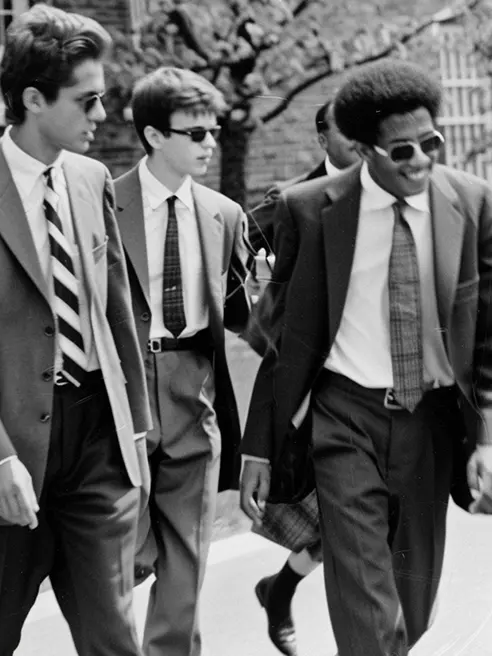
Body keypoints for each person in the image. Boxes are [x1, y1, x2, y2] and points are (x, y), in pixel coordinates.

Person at [0, 3, 152, 656]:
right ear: (32, 98)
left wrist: (136, 431)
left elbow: (114, 313)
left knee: (113, 638)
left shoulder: (92, 179)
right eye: (87, 100)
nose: (101, 116)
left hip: (98, 445)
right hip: (10, 447)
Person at [240, 59, 492, 656]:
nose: (421, 161)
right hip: (344, 420)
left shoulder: (475, 203)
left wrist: (485, 437)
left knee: (412, 605)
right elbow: (284, 343)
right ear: (363, 150)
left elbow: (485, 336)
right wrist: (259, 443)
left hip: (429, 424)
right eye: (401, 151)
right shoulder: (308, 210)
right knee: (363, 600)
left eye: (430, 143)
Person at [113, 67, 252, 656]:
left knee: (189, 550)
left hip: (194, 385)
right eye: (194, 133)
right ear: (152, 135)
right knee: (122, 548)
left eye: (212, 131)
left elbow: (248, 316)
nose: (208, 144)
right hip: (125, 388)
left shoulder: (224, 214)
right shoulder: (103, 203)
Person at [243, 98, 358, 656]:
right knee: (343, 515)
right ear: (321, 138)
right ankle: (287, 590)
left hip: (380, 388)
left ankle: (281, 586)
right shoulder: (286, 205)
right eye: (345, 130)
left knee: (370, 519)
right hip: (314, 389)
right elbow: (255, 308)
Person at [247, 101, 359, 255]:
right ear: (322, 141)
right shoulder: (290, 196)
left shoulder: (391, 186)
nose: (358, 138)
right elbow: (241, 242)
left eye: (362, 128)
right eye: (346, 130)